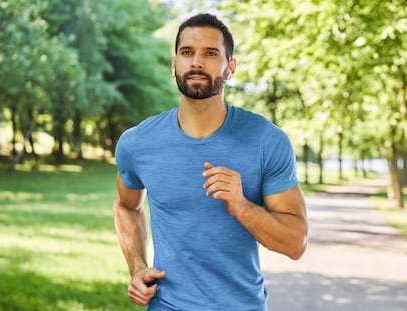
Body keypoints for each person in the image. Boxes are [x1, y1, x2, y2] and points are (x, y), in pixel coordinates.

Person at [113, 13, 308, 311]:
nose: (196, 62)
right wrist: (137, 266)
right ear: (174, 63)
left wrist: (242, 207)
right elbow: (127, 206)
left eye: (211, 53)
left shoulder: (267, 140)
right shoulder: (138, 143)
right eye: (187, 52)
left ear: (230, 68)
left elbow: (295, 243)